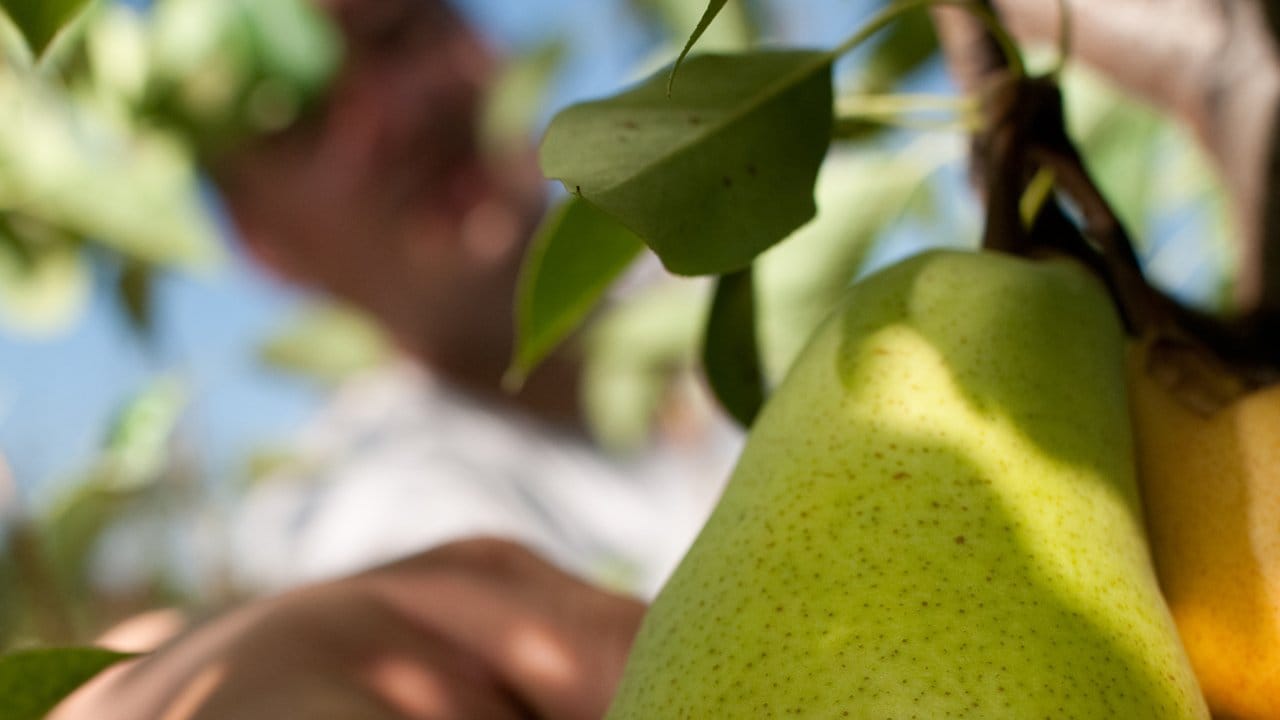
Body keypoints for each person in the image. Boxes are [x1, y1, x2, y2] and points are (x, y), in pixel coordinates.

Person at [55, 0, 730, 716]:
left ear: (484, 44)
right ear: (261, 241)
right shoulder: (374, 510)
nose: (398, 116)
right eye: (304, 119)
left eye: (401, 33)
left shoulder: (747, 258)